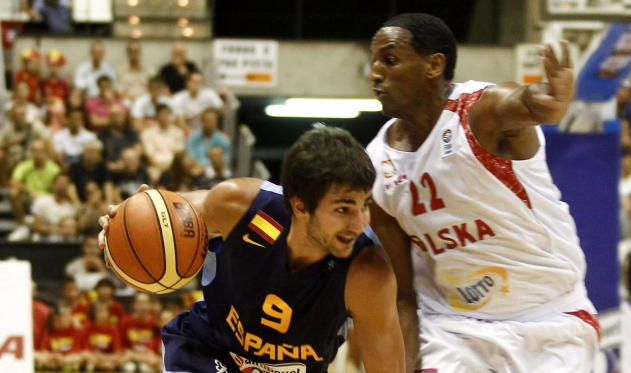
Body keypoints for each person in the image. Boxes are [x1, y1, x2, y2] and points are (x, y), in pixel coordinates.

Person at [365, 13, 598, 373]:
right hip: (454, 331)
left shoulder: (479, 112)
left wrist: (548, 101)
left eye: (390, 60)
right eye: (375, 62)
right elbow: (402, 296)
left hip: (549, 318)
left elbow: (523, 102)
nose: (375, 73)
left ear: (433, 65)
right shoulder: (378, 163)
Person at [98, 125, 405, 372]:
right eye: (342, 209)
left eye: (364, 206)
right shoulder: (238, 207)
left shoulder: (367, 274)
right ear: (300, 206)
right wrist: (119, 228)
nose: (358, 223)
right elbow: (163, 218)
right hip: (208, 351)